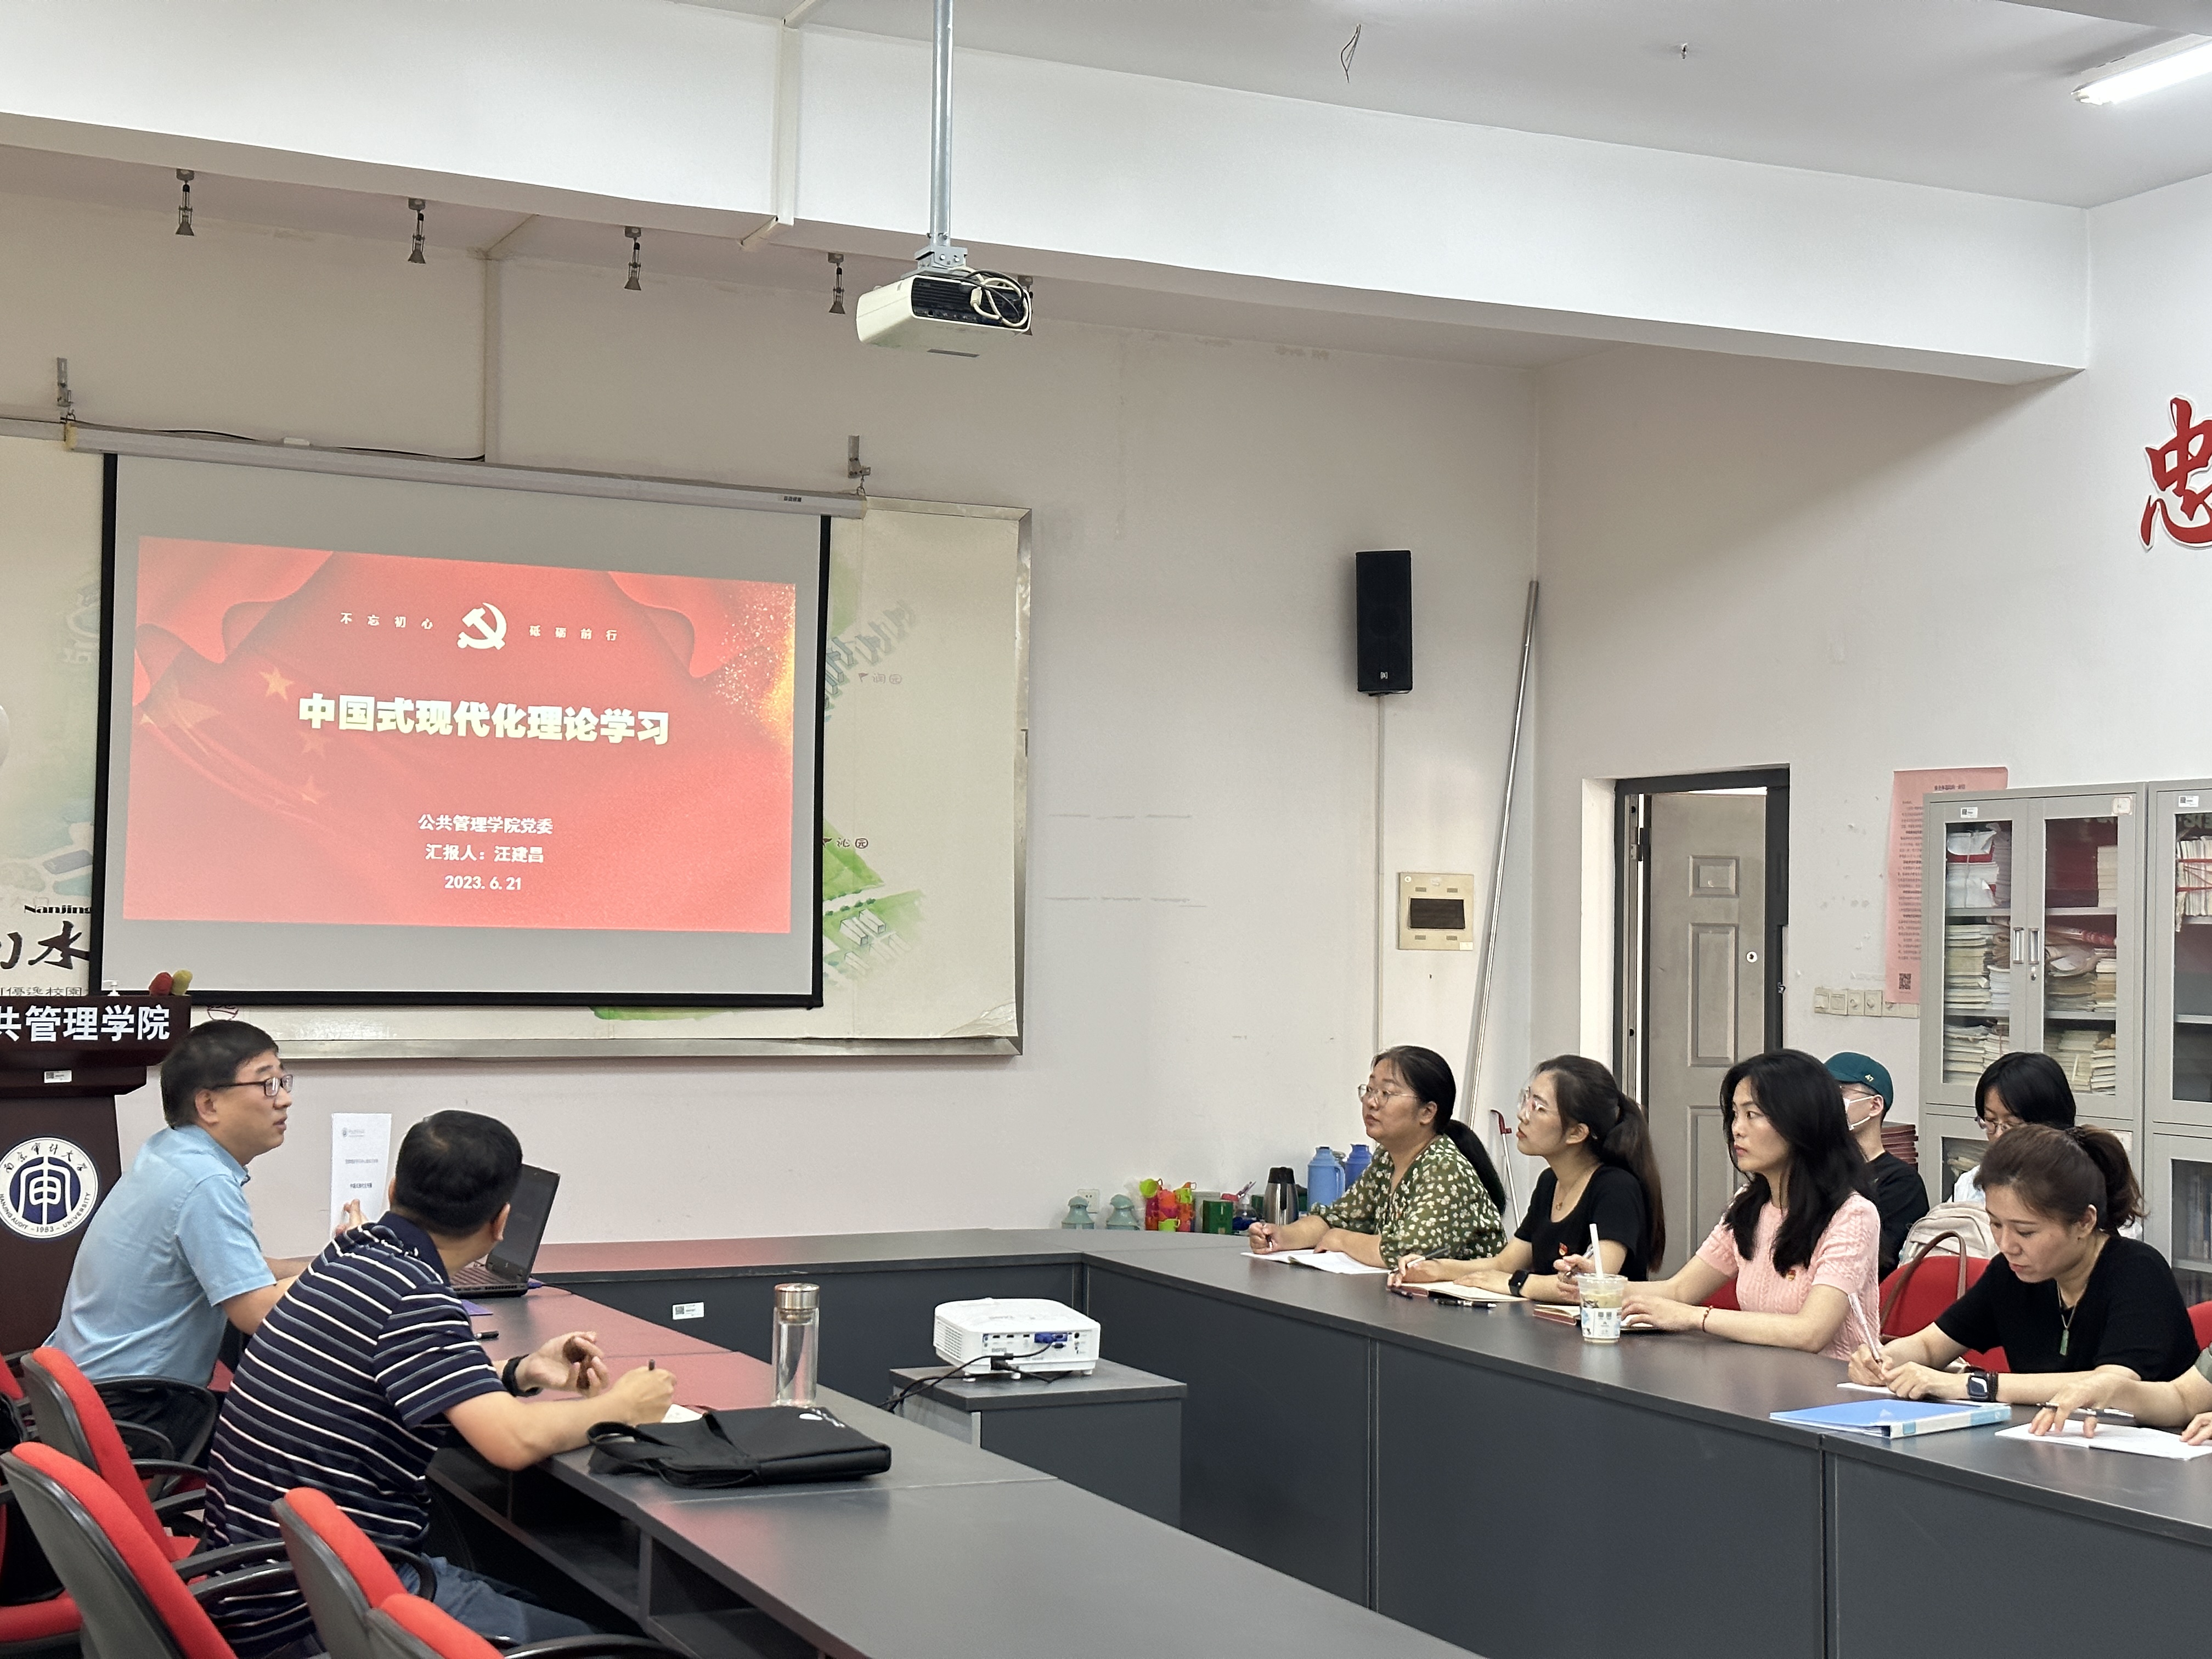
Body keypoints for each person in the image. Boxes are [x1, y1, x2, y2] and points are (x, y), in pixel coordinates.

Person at [201, 1110, 676, 1658]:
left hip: (266, 1586)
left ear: (393, 1190)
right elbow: (511, 1441)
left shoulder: (350, 1255)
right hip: (325, 1615)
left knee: (538, 1596)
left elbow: (385, 1386)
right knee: (616, 1649)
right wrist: (624, 1405)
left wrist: (521, 1372)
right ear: (501, 1222)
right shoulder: (415, 1296)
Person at [48, 1018, 356, 1447]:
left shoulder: (170, 1152)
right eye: (267, 1084)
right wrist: (357, 1273)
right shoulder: (205, 1181)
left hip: (82, 1394)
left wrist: (337, 1258)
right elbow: (256, 1311)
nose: (285, 1099)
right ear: (208, 1104)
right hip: (133, 1413)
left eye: (284, 1082)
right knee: (314, 1439)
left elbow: (242, 1269)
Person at [1850, 1124, 2196, 1406]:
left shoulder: (2138, 1272)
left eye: (2026, 1232)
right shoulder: (2011, 1273)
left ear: (2084, 1222)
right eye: (1995, 1224)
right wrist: (1883, 1360)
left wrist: (1970, 1385)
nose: (2006, 1245)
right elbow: (1930, 1346)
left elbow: (2109, 1385)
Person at [1621, 1049, 1880, 1359]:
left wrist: (1695, 1317)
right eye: (1735, 1114)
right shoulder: (1749, 1205)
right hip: (1759, 1376)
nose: (1736, 1129)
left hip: (1833, 1384)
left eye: (1752, 1115)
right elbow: (1679, 1290)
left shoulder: (1852, 1216)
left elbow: (1810, 1332)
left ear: (1801, 1122)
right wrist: (1591, 1286)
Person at [1389, 1055, 1663, 1301]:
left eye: (1539, 1108)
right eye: (1526, 1100)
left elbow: (1594, 1285)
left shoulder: (1616, 1188)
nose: (1522, 1114)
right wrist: (1436, 1268)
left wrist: (1517, 1283)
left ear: (1576, 1133)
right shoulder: (1549, 1182)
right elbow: (1504, 1264)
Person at [1246, 1046, 1507, 1268]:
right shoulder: (1387, 1160)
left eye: (1387, 1094)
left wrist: (1343, 1240)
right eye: (1370, 1090)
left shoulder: (1445, 1168)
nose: (1371, 1102)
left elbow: (1406, 1252)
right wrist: (1282, 1236)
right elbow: (1337, 1219)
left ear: (1427, 1112)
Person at [1826, 1051, 1927, 1275]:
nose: (1828, 1101)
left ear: (1874, 1105)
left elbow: (1876, 1260)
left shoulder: (1901, 1183)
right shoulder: (1813, 1168)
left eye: (1840, 1091)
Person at [1950, 1051, 2075, 1205]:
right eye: (1990, 1121)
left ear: (2052, 1125)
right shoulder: (1970, 1187)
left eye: (2012, 1125)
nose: (1999, 1136)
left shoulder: (2079, 1187)